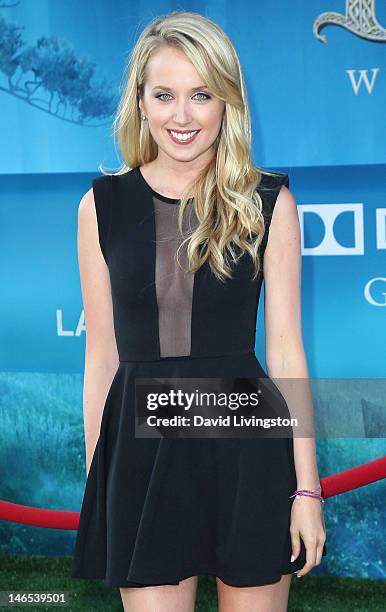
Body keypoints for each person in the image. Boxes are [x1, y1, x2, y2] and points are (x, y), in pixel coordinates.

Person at [72, 10, 327, 612]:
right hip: (141, 453)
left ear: (226, 103)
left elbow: (287, 347)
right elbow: (102, 353)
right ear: (140, 102)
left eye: (201, 95)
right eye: (164, 95)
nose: (181, 116)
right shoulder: (99, 206)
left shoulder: (270, 202)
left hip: (247, 446)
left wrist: (307, 488)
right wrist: (98, 476)